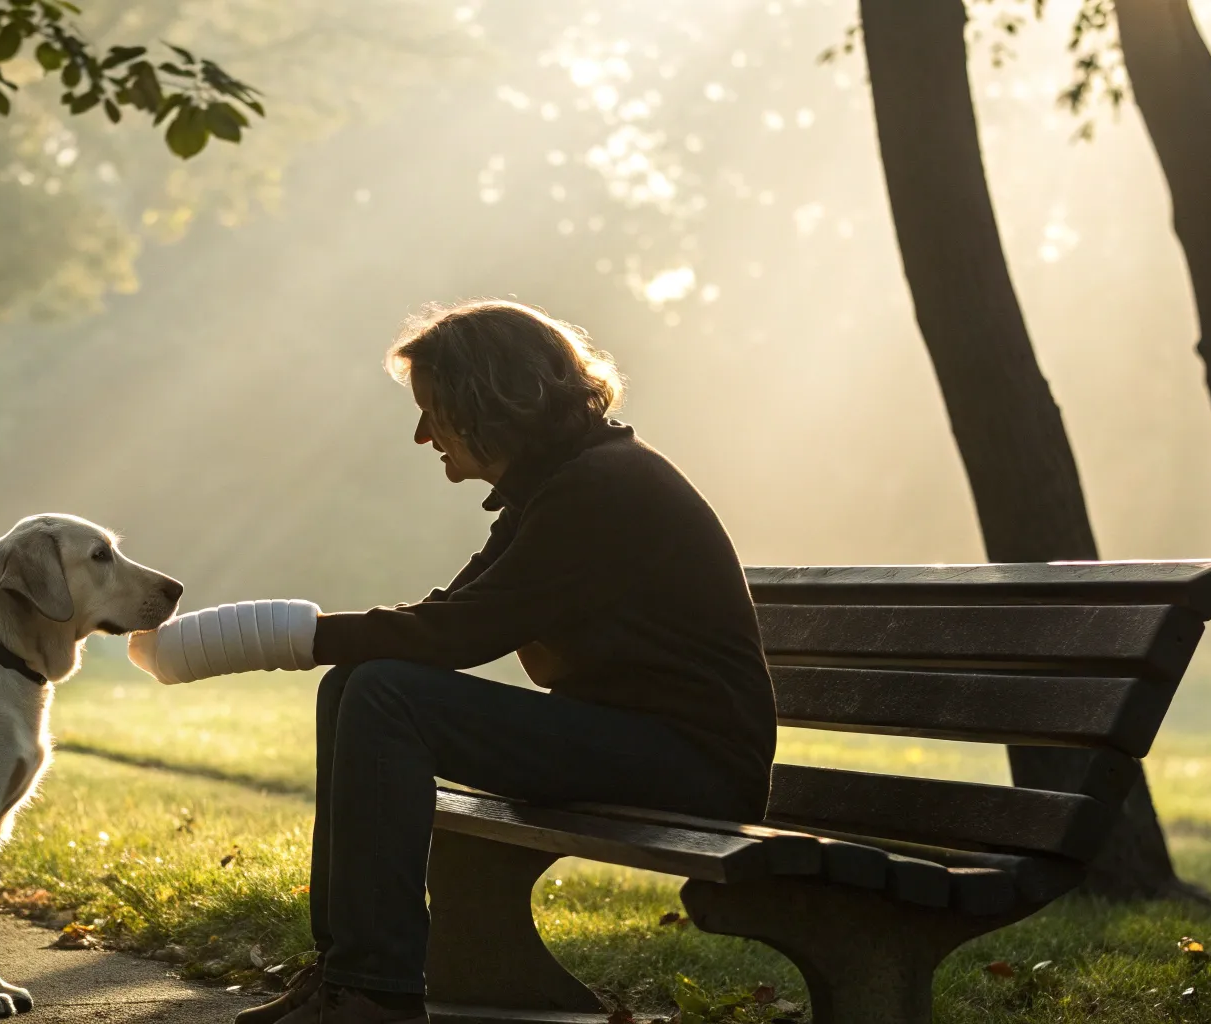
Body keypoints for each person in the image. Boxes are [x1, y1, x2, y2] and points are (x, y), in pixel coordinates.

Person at [128, 301, 777, 1024]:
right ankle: (349, 975)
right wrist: (298, 641)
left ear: (488, 401)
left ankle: (377, 993)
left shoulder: (603, 488)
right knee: (356, 686)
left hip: (694, 767)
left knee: (385, 694)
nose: (421, 434)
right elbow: (445, 616)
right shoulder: (555, 486)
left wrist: (279, 639)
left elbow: (458, 635)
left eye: (432, 411)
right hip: (635, 741)